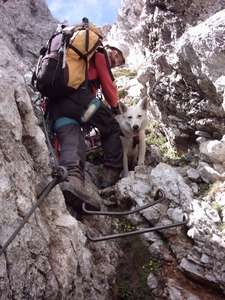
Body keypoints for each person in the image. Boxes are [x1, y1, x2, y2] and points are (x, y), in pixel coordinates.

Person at [49, 40, 130, 212]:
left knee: (74, 140)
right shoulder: (99, 55)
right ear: (108, 47)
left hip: (57, 107)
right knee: (112, 127)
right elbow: (110, 92)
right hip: (78, 100)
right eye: (116, 54)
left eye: (119, 60)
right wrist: (116, 108)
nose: (115, 60)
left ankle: (72, 181)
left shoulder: (79, 58)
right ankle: (112, 174)